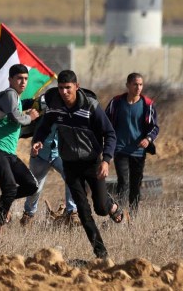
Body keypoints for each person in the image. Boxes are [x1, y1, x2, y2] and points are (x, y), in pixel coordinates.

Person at [32, 70, 126, 260]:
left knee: (100, 208)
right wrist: (39, 140)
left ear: (77, 86)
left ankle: (112, 206)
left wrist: (106, 160)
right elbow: (44, 125)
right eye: (60, 88)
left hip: (92, 162)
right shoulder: (55, 106)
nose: (64, 92)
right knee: (83, 211)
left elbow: (110, 134)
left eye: (68, 88)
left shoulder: (90, 106)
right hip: (70, 164)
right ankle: (101, 253)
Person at [0, 64, 40, 233]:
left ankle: (2, 201)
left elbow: (14, 115)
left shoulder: (16, 99)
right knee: (9, 187)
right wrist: (30, 117)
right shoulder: (10, 94)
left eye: (25, 79)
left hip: (9, 153)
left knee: (31, 185)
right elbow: (16, 118)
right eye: (19, 78)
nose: (23, 82)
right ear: (10, 80)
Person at [105, 72, 159, 214]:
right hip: (120, 149)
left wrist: (148, 139)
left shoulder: (148, 105)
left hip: (138, 151)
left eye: (141, 84)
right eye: (135, 84)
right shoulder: (116, 103)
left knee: (135, 184)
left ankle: (133, 214)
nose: (138, 87)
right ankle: (120, 213)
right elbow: (105, 122)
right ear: (128, 85)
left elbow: (154, 127)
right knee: (123, 182)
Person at [20, 110, 78, 226]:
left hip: (59, 154)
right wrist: (29, 115)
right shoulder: (43, 105)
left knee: (73, 177)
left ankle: (72, 213)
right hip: (40, 154)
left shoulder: (70, 110)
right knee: (36, 186)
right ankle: (28, 215)